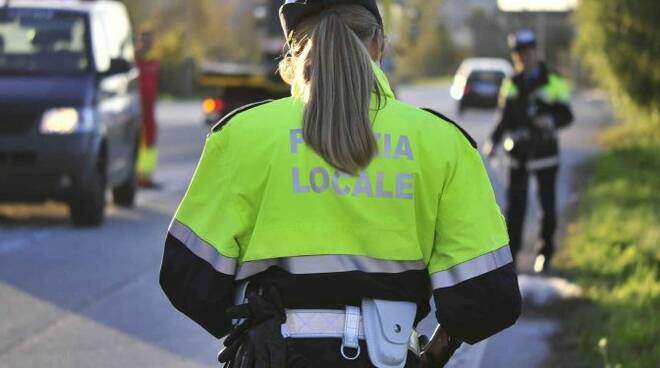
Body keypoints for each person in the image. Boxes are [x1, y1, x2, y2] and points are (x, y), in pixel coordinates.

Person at [159, 1, 521, 367]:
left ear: (294, 52)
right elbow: (488, 299)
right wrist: (433, 352)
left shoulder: (241, 136)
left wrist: (252, 323)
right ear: (378, 43)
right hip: (388, 357)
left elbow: (186, 279)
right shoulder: (443, 143)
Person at [483, 30, 574, 273]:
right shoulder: (511, 81)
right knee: (515, 209)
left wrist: (551, 120)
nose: (525, 57)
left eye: (528, 51)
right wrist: (493, 141)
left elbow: (567, 115)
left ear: (536, 51)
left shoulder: (553, 79)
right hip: (518, 154)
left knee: (547, 207)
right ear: (516, 56)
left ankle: (545, 255)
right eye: (519, 54)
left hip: (545, 152)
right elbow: (503, 117)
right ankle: (512, 257)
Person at [136, 29, 160, 188]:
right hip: (136, 107)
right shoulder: (133, 60)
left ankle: (146, 176)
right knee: (136, 139)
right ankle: (136, 176)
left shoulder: (155, 61)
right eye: (144, 40)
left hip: (149, 108)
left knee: (150, 140)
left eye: (150, 40)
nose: (147, 43)